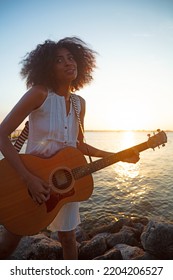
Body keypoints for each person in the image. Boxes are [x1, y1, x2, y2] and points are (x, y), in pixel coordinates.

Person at [0, 37, 139, 259]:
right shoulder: (39, 94)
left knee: (68, 239)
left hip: (63, 182)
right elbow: (2, 134)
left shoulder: (79, 103)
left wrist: (118, 156)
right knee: (8, 245)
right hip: (30, 182)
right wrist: (28, 179)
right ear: (47, 67)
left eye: (71, 58)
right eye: (59, 60)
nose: (68, 63)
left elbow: (77, 144)